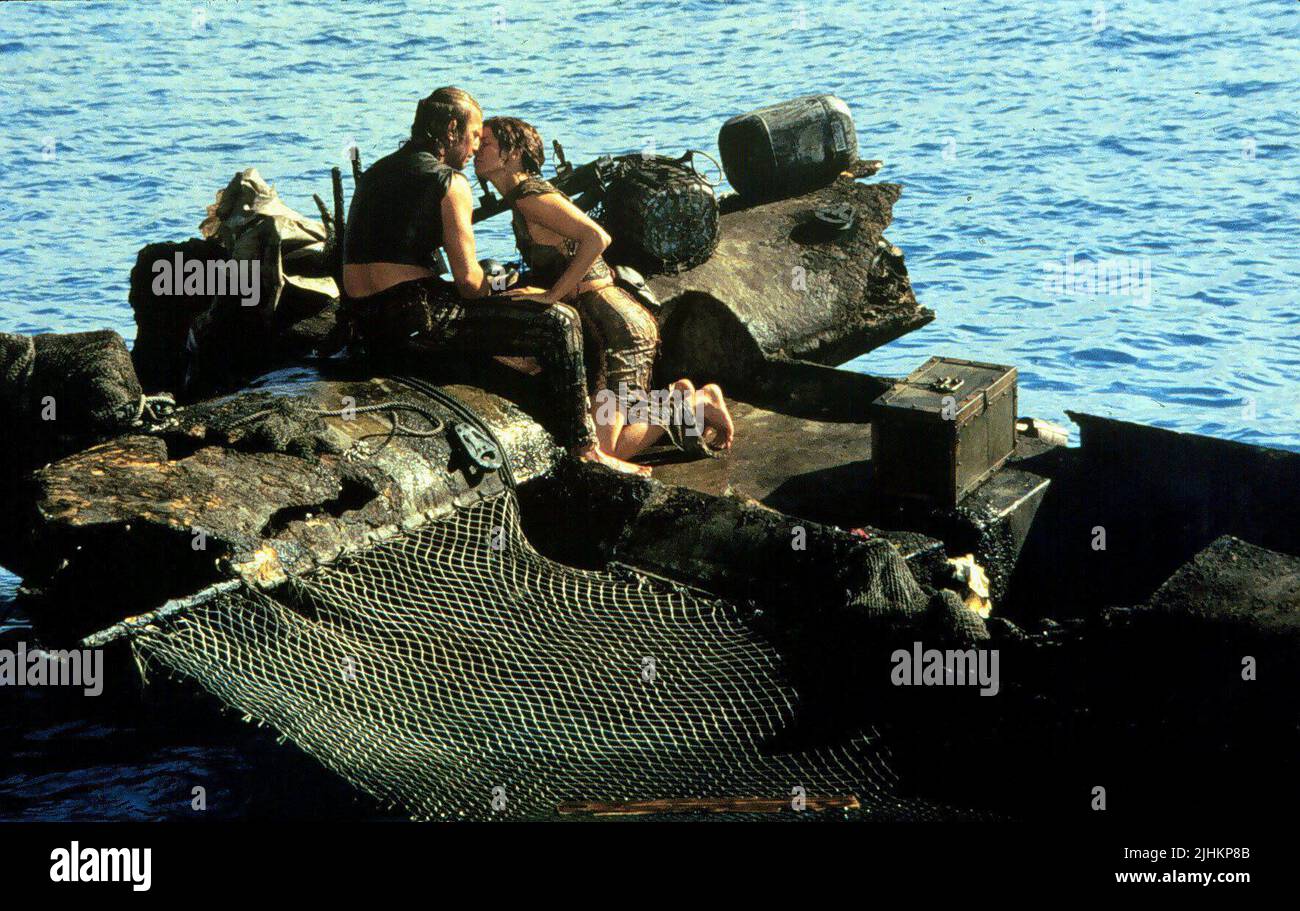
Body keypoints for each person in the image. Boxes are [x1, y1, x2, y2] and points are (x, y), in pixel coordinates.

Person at [342, 86, 649, 476]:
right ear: (452, 129)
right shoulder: (448, 182)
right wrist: (509, 291)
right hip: (416, 318)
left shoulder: (375, 174)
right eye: (473, 137)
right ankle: (584, 449)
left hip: (366, 324)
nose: (472, 150)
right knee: (560, 323)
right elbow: (470, 284)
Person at [473, 115, 734, 461]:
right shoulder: (522, 200)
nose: (476, 148)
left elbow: (597, 238)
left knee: (608, 449)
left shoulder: (529, 198)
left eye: (486, 142)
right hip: (605, 329)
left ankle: (693, 404)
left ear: (513, 153)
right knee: (606, 425)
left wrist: (552, 296)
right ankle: (676, 397)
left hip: (619, 334)